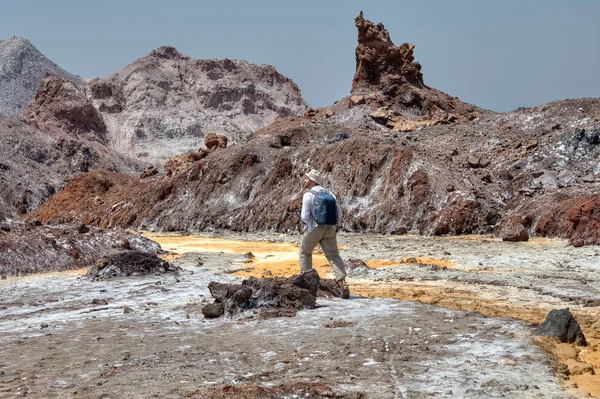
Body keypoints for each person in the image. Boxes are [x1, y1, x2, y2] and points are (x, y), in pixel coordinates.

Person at [299, 169, 349, 298]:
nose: (304, 180)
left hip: (315, 228)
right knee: (333, 255)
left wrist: (310, 223)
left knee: (305, 252)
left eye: (306, 178)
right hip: (330, 228)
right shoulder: (330, 193)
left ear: (312, 181)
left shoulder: (308, 194)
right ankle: (343, 284)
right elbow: (340, 213)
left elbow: (304, 216)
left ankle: (307, 284)